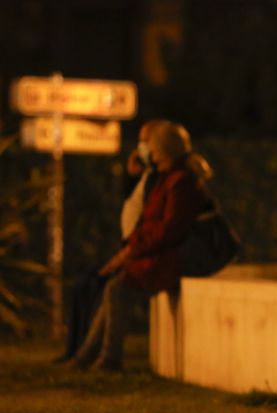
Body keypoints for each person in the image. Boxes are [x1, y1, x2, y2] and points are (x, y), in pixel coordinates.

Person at [71, 122, 212, 371]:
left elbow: (169, 228)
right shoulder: (166, 179)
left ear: (165, 151)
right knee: (113, 289)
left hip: (166, 258)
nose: (149, 153)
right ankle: (89, 355)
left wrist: (133, 250)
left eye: (153, 148)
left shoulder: (179, 182)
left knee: (116, 290)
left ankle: (107, 358)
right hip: (153, 254)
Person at [57, 120, 166, 361]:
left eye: (147, 142)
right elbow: (132, 203)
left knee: (109, 287)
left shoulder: (165, 177)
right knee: (86, 285)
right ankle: (78, 352)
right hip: (132, 248)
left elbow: (155, 221)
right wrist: (131, 177)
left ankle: (100, 356)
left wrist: (127, 254)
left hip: (141, 252)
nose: (142, 147)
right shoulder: (148, 174)